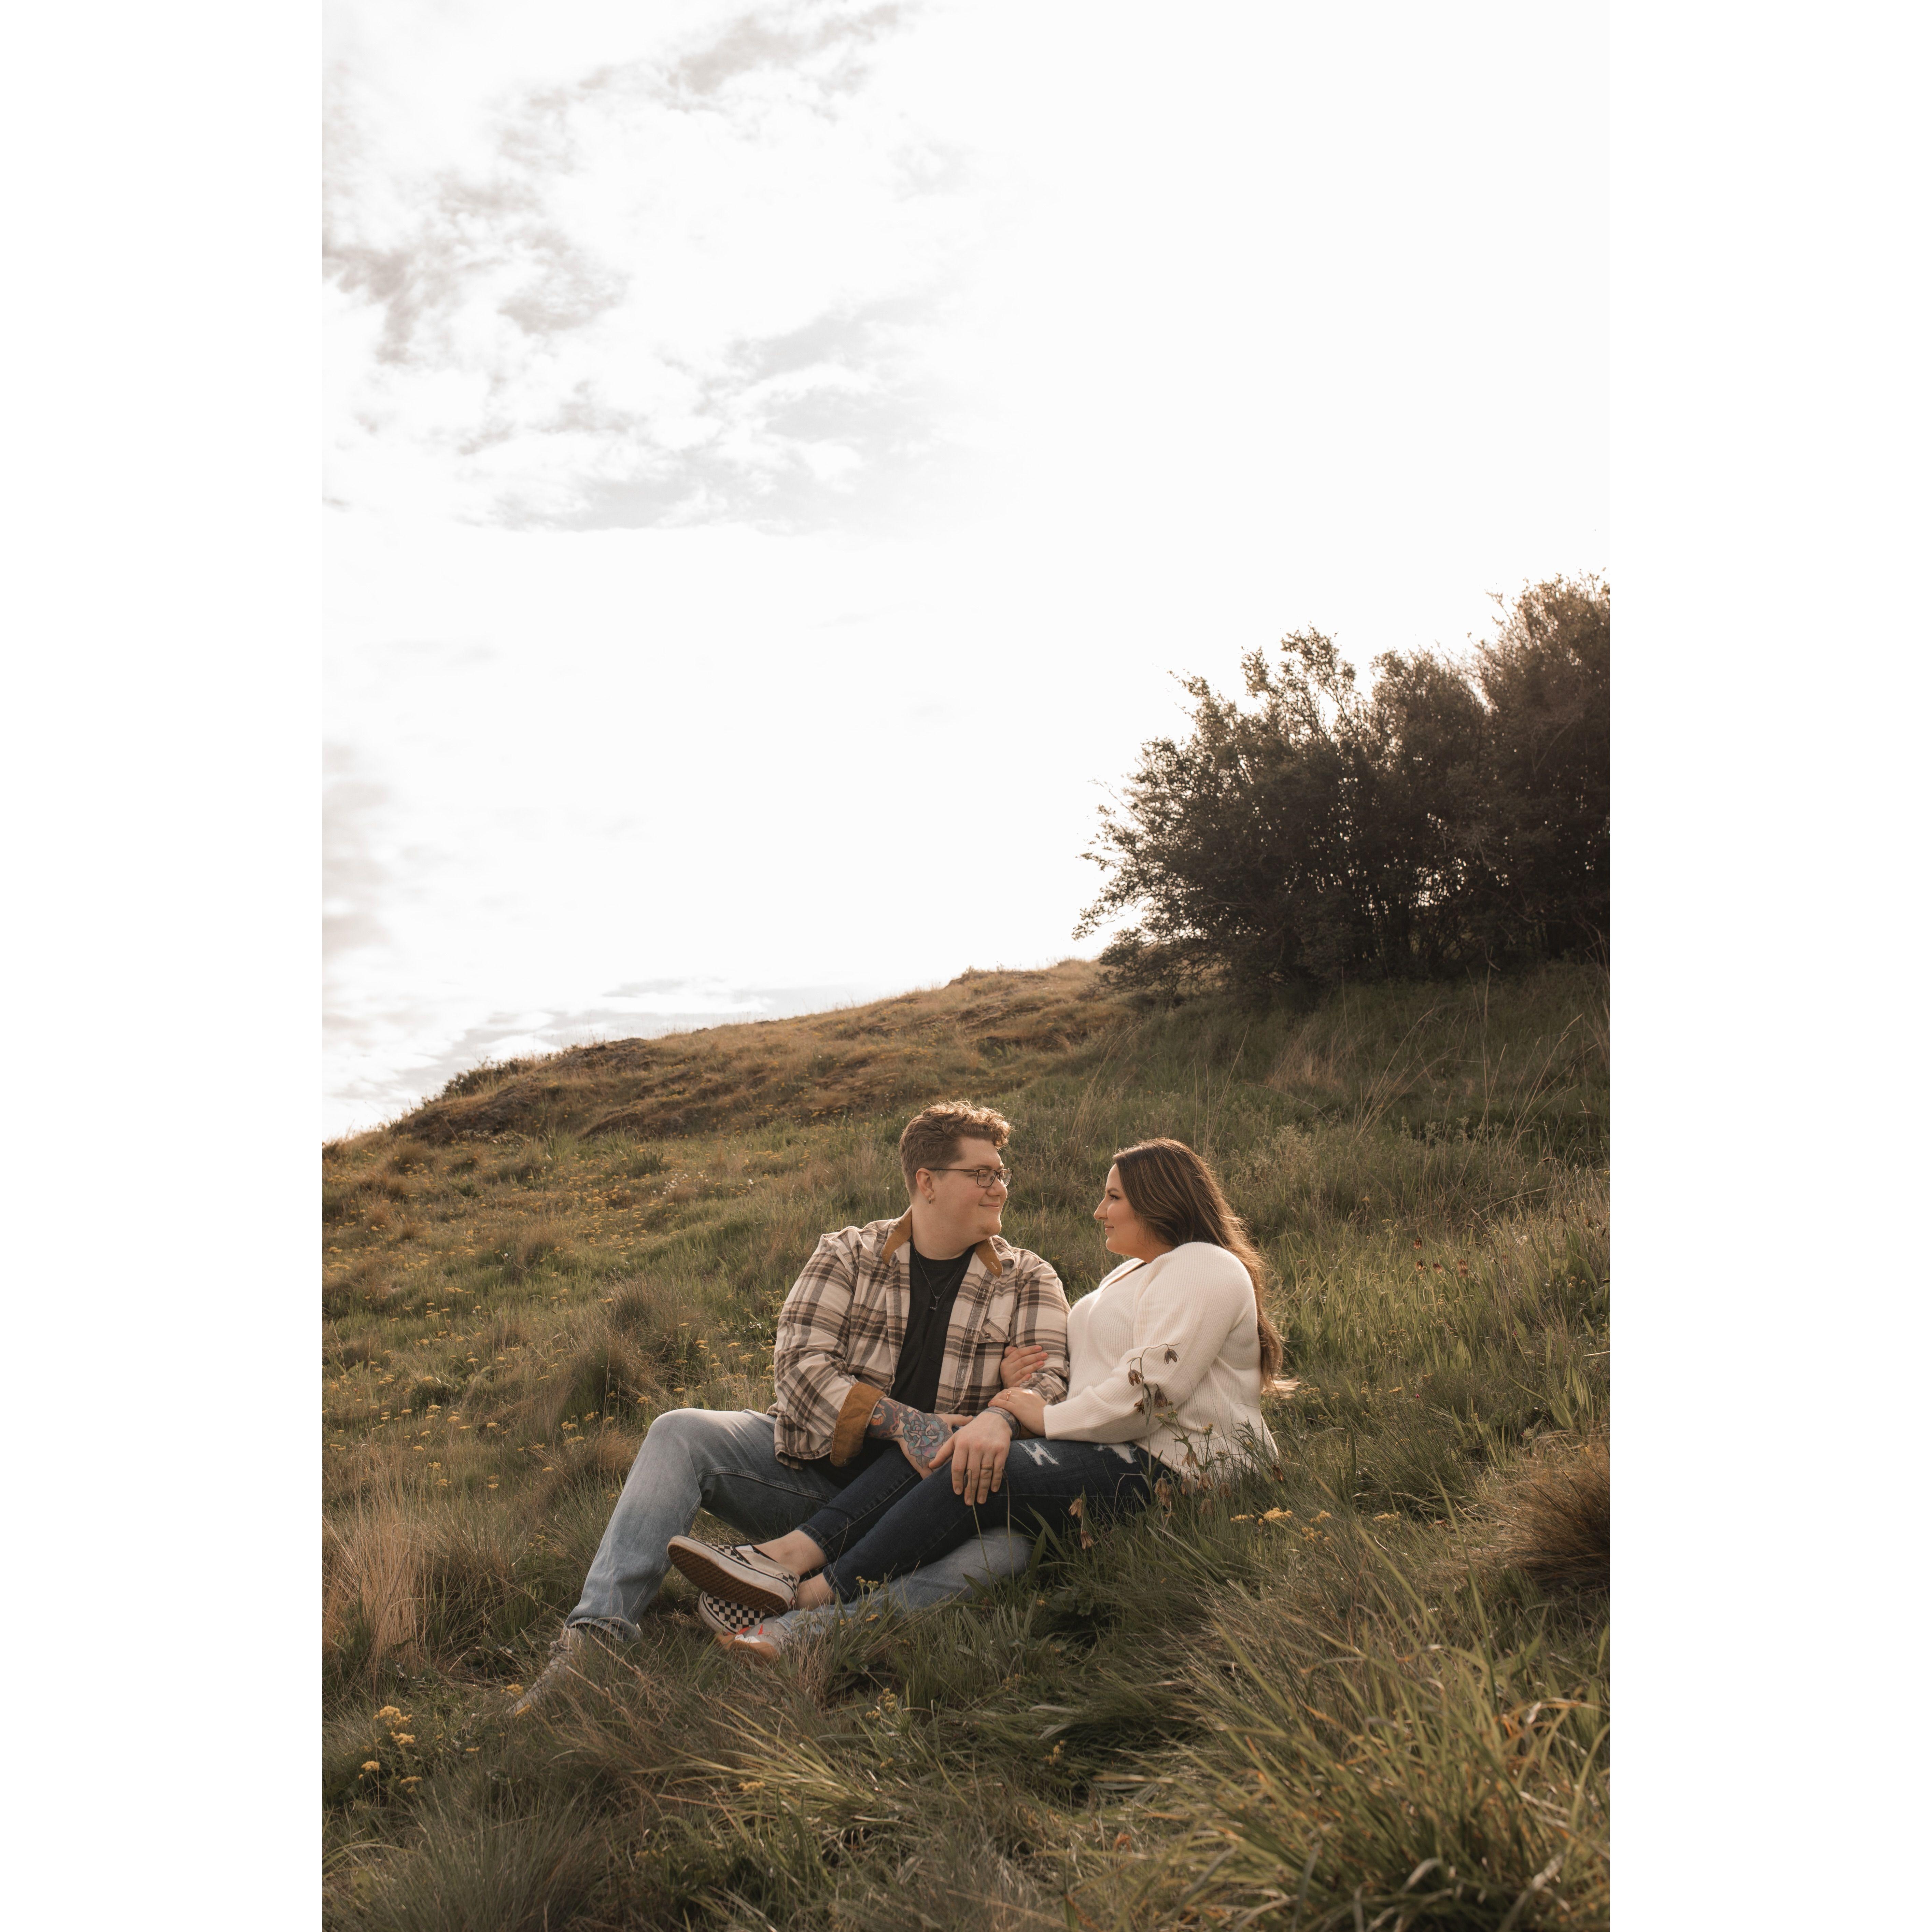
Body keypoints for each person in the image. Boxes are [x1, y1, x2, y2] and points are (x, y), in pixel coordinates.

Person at [510, 1100, 1069, 1714]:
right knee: (678, 1431)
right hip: (813, 1477)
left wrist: (998, 1413)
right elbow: (800, 1371)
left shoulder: (1028, 1278)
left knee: (1006, 1551)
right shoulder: (848, 1254)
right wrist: (908, 1422)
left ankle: (795, 1621)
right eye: (982, 1174)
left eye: (1001, 1173)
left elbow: (1053, 1386)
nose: (1000, 1187)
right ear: (927, 1182)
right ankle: (595, 1640)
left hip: (927, 1508)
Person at [668, 1137, 1285, 1657]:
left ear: (1160, 1200)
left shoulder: (1204, 1264)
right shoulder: (1125, 1276)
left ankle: (804, 1594)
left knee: (973, 1460)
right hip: (1102, 1454)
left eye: (1115, 1197)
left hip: (1180, 1465)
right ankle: (794, 1616)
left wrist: (1044, 1416)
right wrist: (1010, 1391)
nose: (1100, 1211)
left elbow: (1152, 1390)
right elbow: (1082, 1376)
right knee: (959, 1477)